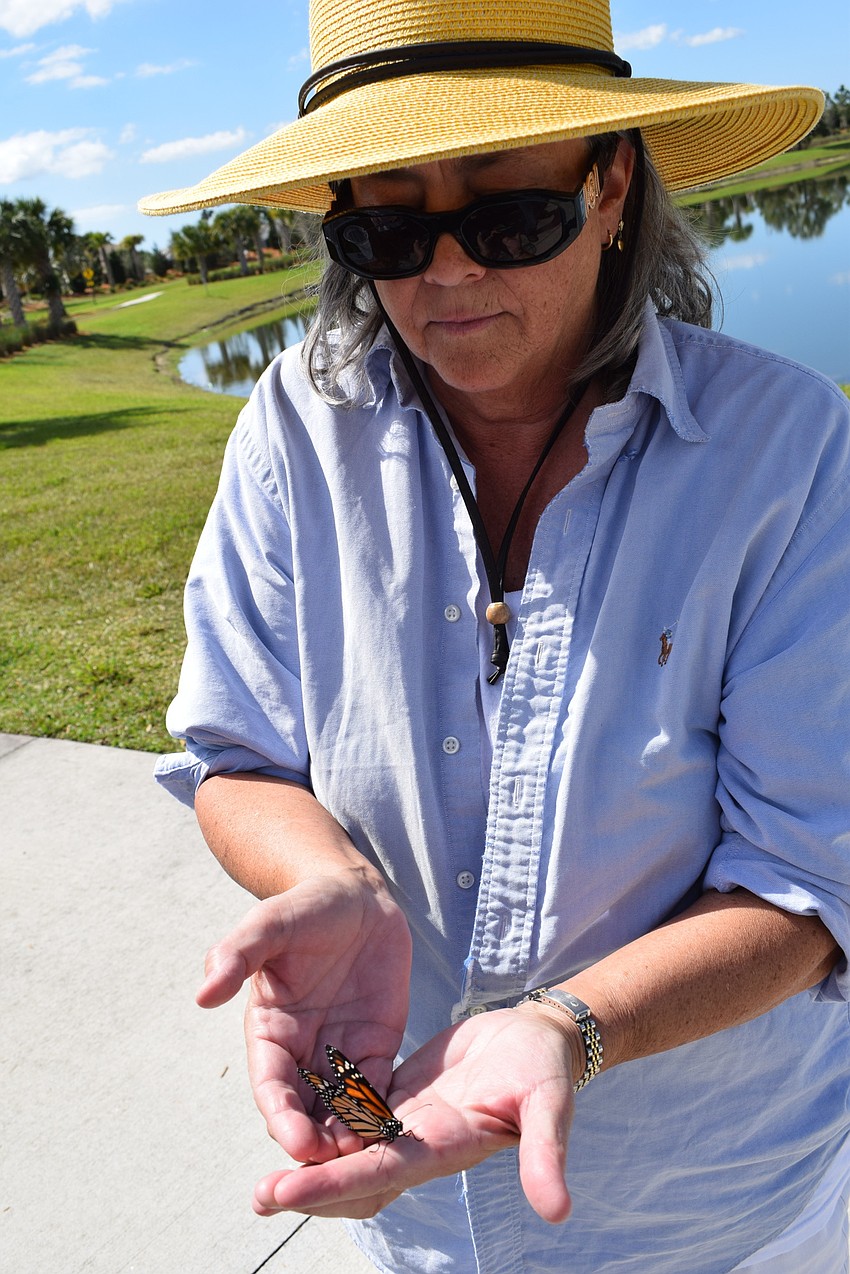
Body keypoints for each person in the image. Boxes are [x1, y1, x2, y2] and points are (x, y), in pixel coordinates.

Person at [140, 1, 850, 1270]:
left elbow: (812, 879)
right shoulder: (293, 428)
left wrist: (567, 1025)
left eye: (510, 218)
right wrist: (331, 883)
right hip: (412, 1188)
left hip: (715, 1205)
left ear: (615, 183)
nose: (447, 272)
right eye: (388, 230)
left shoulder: (790, 451)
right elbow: (237, 751)